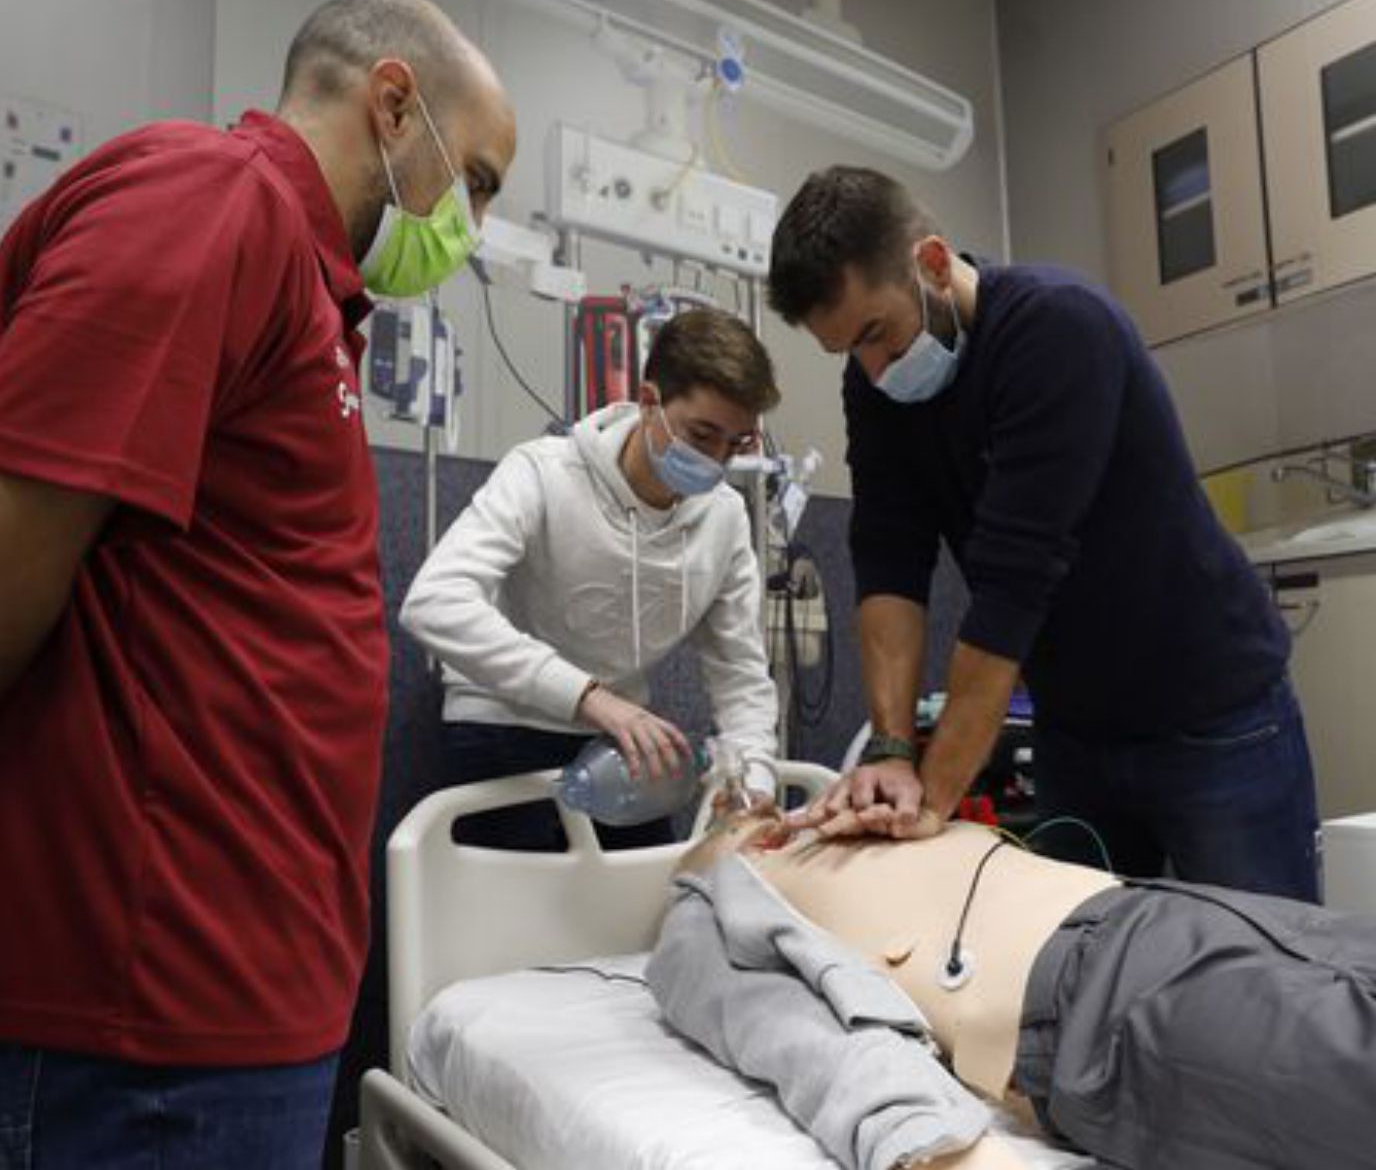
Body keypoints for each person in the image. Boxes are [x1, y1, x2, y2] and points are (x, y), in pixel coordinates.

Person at [0, 0, 515, 1169]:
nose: (475, 226)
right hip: (146, 1027)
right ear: (394, 105)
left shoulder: (304, 292)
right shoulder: (215, 202)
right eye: (482, 182)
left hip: (226, 1009)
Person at [765, 165, 1318, 901]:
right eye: (847, 353)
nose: (872, 368)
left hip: (1211, 716)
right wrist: (893, 751)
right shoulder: (877, 382)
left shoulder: (1059, 328)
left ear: (931, 264)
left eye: (876, 334)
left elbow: (1011, 585)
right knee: (1080, 972)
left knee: (1270, 972)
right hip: (1076, 729)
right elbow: (888, 559)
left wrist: (928, 805)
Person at [656, 804, 1376, 1170]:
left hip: (1172, 911)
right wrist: (937, 1145)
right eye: (735, 812)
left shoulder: (853, 819)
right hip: (1102, 1001)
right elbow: (798, 1036)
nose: (761, 804)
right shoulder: (712, 908)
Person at [400, 308, 781, 849]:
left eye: (737, 444)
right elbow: (434, 603)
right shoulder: (543, 473)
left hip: (620, 744)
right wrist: (589, 696)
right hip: (503, 728)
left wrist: (753, 781)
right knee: (517, 925)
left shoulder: (723, 518)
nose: (716, 460)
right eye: (703, 434)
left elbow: (741, 675)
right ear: (649, 402)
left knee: (646, 916)